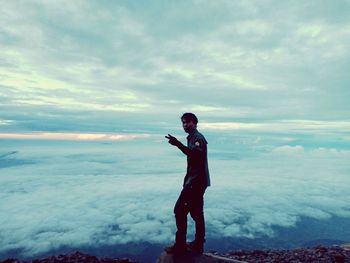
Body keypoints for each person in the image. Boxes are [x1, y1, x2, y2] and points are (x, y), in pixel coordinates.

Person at [164, 112, 210, 255]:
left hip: (195, 183)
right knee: (196, 213)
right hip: (197, 181)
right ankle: (198, 244)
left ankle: (180, 246)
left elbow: (195, 155)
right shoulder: (193, 138)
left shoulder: (197, 138)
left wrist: (178, 144)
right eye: (183, 122)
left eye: (188, 122)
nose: (185, 125)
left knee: (179, 210)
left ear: (195, 123)